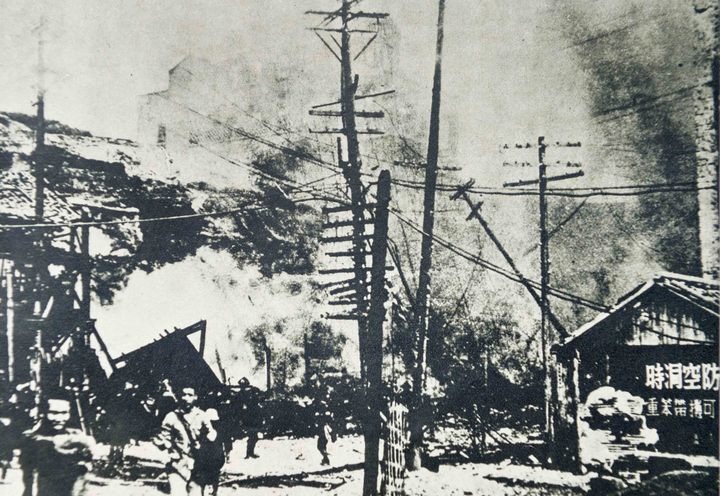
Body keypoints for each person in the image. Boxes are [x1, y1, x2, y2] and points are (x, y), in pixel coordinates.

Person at [19, 395, 95, 496]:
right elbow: (28, 476)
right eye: (53, 413)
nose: (59, 418)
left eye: (64, 413)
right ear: (43, 413)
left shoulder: (76, 434)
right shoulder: (31, 438)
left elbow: (86, 469)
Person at [153, 385, 217, 496]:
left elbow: (211, 433)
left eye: (190, 395)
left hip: (197, 464)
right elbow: (163, 437)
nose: (186, 398)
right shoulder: (171, 417)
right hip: (177, 464)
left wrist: (209, 440)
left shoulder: (202, 416)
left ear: (195, 397)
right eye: (183, 395)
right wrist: (164, 443)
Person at [236, 378, 263, 459]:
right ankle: (249, 453)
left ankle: (250, 452)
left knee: (253, 436)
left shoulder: (251, 391)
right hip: (248, 417)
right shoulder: (243, 393)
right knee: (252, 435)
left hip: (252, 416)